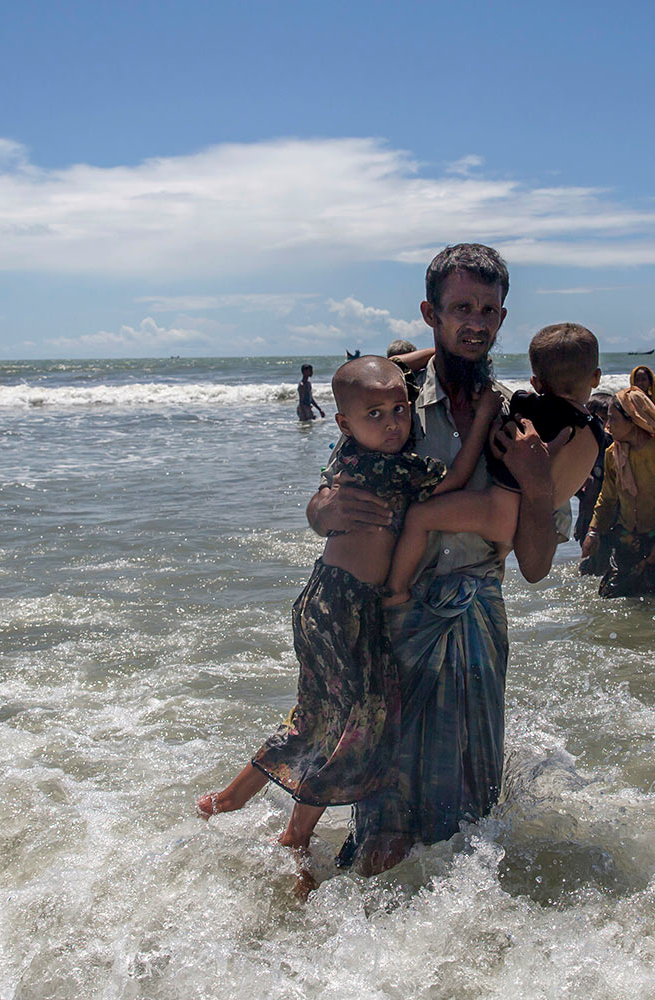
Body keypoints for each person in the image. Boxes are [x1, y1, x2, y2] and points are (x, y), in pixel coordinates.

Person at [307, 244, 565, 875]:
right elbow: (324, 507)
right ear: (431, 313)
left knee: (469, 817)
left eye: (488, 309)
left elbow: (535, 565)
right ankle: (357, 945)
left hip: (475, 617)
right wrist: (324, 511)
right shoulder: (391, 405)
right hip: (392, 622)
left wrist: (537, 484)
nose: (474, 321)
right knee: (384, 817)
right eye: (460, 308)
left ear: (503, 318)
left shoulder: (516, 418)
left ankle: (468, 944)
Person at [195, 355, 493, 897]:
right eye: (375, 413)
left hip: (326, 603)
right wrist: (484, 417)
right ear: (343, 424)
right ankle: (294, 835)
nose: (394, 423)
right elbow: (454, 479)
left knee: (319, 715)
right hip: (345, 611)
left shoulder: (355, 453)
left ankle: (231, 799)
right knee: (357, 726)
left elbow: (385, 379)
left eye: (401, 409)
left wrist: (425, 355)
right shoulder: (385, 466)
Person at [384, 323, 603, 605]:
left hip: (497, 507)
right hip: (522, 521)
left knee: (419, 516)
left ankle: (397, 589)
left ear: (536, 383)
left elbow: (504, 439)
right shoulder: (594, 431)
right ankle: (498, 554)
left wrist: (488, 414)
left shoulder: (532, 410)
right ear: (595, 377)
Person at [581, 388, 655, 597]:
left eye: (613, 420)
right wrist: (593, 532)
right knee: (609, 598)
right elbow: (607, 497)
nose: (607, 426)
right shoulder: (612, 453)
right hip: (626, 539)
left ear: (633, 420)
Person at [575, 390, 614, 577]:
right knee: (594, 562)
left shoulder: (612, 443)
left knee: (603, 559)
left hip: (607, 511)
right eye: (599, 419)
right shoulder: (584, 442)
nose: (605, 425)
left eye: (609, 419)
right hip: (589, 509)